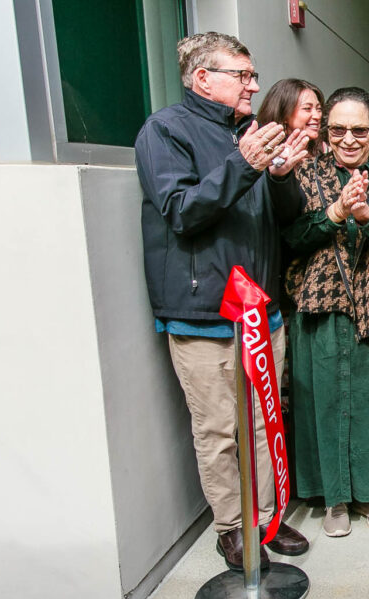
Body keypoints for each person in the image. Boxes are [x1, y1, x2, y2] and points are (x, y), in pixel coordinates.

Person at [135, 32, 310, 570]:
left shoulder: (250, 133)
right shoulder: (164, 131)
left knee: (264, 423)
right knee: (217, 429)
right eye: (243, 74)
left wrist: (278, 176)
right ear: (202, 78)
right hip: (203, 312)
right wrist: (245, 164)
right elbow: (182, 210)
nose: (254, 85)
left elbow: (287, 220)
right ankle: (232, 529)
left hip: (262, 309)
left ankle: (266, 521)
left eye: (252, 75)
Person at [278, 86, 369, 538]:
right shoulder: (307, 172)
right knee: (327, 401)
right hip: (322, 307)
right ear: (327, 132)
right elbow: (293, 239)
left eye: (359, 130)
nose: (349, 139)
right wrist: (337, 212)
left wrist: (367, 218)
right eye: (338, 129)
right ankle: (335, 499)